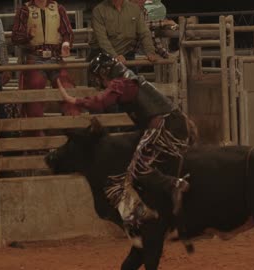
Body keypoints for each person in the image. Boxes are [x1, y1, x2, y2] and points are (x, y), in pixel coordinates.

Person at [56, 53, 196, 231]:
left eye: (98, 77)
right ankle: (159, 213)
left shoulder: (121, 83)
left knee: (138, 169)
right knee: (140, 169)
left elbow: (100, 102)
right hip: (169, 123)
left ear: (105, 73)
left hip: (163, 126)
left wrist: (74, 100)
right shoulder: (128, 78)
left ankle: (173, 188)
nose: (99, 81)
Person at [12, 0, 78, 135]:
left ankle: (73, 131)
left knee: (67, 88)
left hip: (55, 57)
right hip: (35, 56)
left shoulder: (59, 8)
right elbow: (15, 37)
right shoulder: (24, 10)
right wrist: (28, 35)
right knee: (35, 90)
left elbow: (68, 33)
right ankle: (37, 138)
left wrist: (65, 44)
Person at [88, 0, 158, 63]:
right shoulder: (99, 10)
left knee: (133, 76)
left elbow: (144, 33)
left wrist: (150, 52)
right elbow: (102, 39)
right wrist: (115, 56)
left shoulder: (134, 9)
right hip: (101, 55)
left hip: (126, 54)